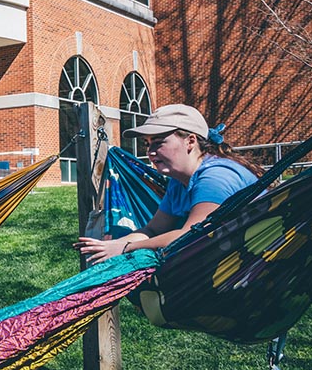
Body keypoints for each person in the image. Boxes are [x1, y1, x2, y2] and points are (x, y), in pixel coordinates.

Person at [75, 104, 263, 264]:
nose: (150, 151)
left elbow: (191, 236)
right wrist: (108, 246)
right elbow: (153, 229)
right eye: (147, 144)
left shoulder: (215, 178)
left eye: (158, 142)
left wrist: (125, 247)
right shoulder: (178, 182)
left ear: (190, 141)